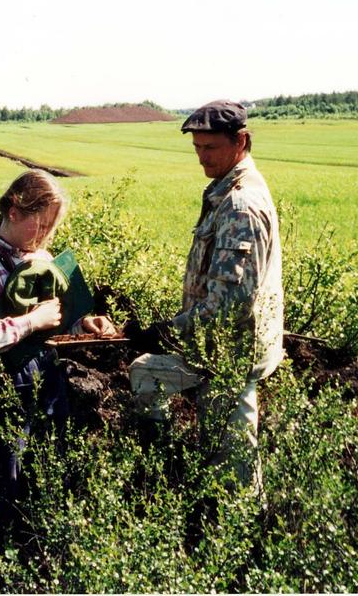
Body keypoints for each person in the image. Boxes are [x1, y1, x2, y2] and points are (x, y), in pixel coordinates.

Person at [0, 169, 116, 580]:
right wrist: (33, 321)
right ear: (12, 209)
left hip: (43, 381)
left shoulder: (40, 261)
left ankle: (25, 573)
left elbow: (57, 320)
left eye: (52, 228)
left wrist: (84, 325)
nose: (44, 238)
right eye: (40, 226)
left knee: (39, 477)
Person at [127, 100, 283, 494]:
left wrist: (163, 333)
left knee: (232, 473)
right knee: (146, 375)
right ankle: (165, 481)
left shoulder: (240, 205)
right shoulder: (226, 190)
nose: (201, 157)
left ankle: (240, 536)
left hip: (231, 355)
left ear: (241, 141)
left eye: (210, 148)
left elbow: (227, 306)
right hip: (213, 349)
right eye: (197, 148)